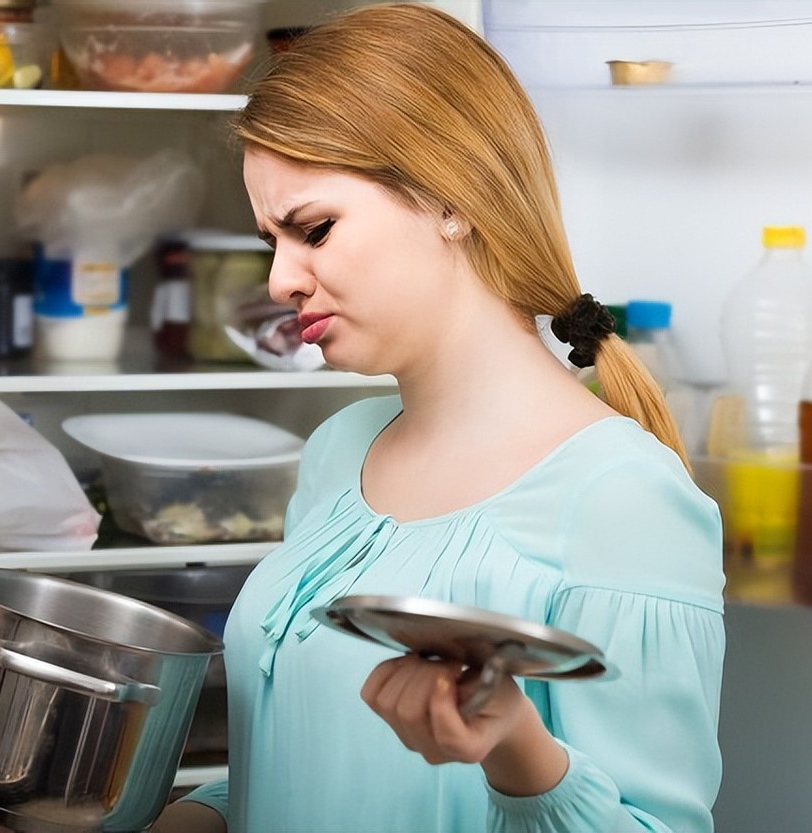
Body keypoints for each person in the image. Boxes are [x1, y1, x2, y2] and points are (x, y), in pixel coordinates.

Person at [153, 4, 725, 832]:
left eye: (313, 229)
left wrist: (514, 747)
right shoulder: (338, 452)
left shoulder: (625, 497)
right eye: (270, 242)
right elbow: (303, 762)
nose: (281, 280)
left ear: (449, 198)